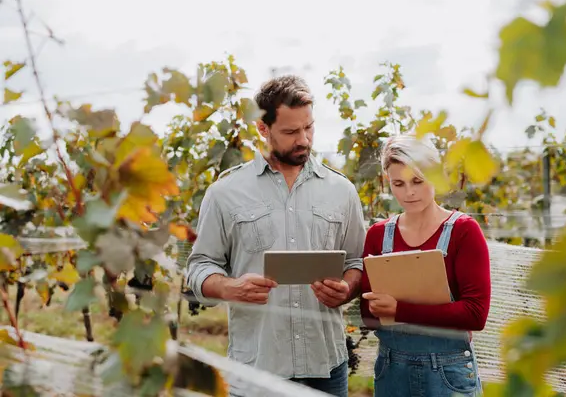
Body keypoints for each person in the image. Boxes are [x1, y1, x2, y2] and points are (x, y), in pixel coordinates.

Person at [185, 75, 366, 397]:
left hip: (325, 366)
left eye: (309, 127)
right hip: (256, 368)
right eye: (291, 132)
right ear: (262, 128)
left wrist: (347, 288)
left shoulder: (342, 191)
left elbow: (358, 262)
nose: (305, 140)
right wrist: (230, 287)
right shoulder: (225, 192)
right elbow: (200, 266)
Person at [359, 134, 491, 397]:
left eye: (418, 181)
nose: (409, 192)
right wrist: (378, 308)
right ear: (388, 182)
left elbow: (475, 314)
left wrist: (399, 309)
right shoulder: (377, 235)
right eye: (398, 183)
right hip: (392, 369)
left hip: (448, 373)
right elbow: (369, 316)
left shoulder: (464, 231)